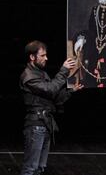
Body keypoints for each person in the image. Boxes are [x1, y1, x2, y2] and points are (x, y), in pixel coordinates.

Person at [19, 40, 83, 175]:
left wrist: (71, 91)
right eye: (42, 55)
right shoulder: (28, 76)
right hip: (35, 126)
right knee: (30, 168)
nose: (46, 58)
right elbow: (50, 89)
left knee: (40, 167)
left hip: (45, 124)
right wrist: (64, 70)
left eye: (45, 55)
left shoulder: (41, 74)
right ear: (32, 57)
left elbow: (55, 98)